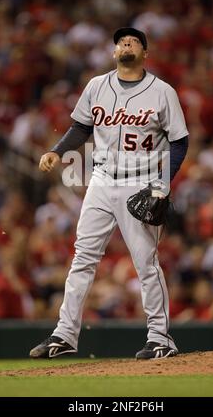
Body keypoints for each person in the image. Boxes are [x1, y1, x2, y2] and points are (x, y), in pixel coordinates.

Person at [29, 27, 189, 360]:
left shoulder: (162, 92)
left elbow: (179, 141)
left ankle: (161, 337)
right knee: (82, 257)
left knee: (145, 262)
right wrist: (58, 151)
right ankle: (65, 334)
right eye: (121, 41)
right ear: (114, 52)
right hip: (101, 180)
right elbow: (82, 127)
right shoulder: (96, 86)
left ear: (145, 52)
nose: (126, 43)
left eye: (133, 41)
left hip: (141, 180)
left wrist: (162, 184)